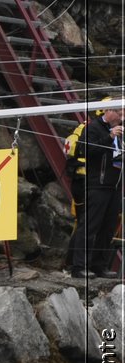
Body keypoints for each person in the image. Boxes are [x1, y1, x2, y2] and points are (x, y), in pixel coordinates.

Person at [67, 98, 123, 280]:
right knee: (90, 226)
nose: (122, 118)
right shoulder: (93, 128)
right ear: (109, 111)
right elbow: (86, 150)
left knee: (108, 227)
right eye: (120, 114)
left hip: (115, 185)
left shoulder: (121, 131)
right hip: (97, 184)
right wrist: (109, 137)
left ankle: (99, 265)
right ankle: (79, 266)